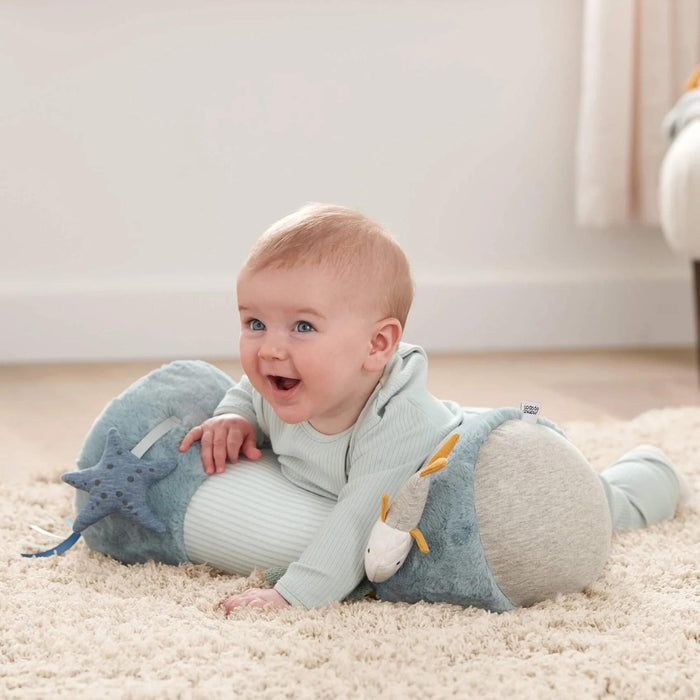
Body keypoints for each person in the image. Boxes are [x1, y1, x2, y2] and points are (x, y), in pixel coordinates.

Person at [179, 203, 688, 611]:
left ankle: (658, 471)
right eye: (254, 323)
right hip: (444, 425)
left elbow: (360, 518)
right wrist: (235, 415)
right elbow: (247, 389)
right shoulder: (280, 378)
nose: (268, 348)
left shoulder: (395, 423)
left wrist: (293, 594)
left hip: (477, 480)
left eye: (303, 327)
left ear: (377, 346)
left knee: (602, 503)